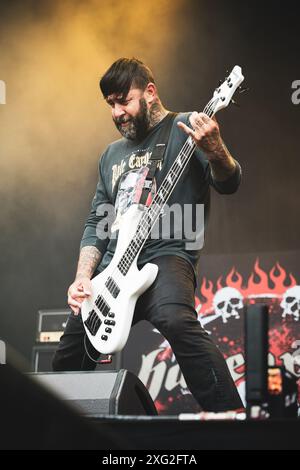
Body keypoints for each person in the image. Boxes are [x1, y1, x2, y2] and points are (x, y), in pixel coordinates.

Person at [52, 58, 243, 411]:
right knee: (67, 358)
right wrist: (82, 279)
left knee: (175, 318)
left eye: (124, 100)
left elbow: (229, 182)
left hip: (167, 255)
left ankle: (229, 421)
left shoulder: (187, 127)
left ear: (150, 93)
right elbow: (97, 223)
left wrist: (217, 151)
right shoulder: (110, 155)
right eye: (111, 103)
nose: (116, 112)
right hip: (112, 269)